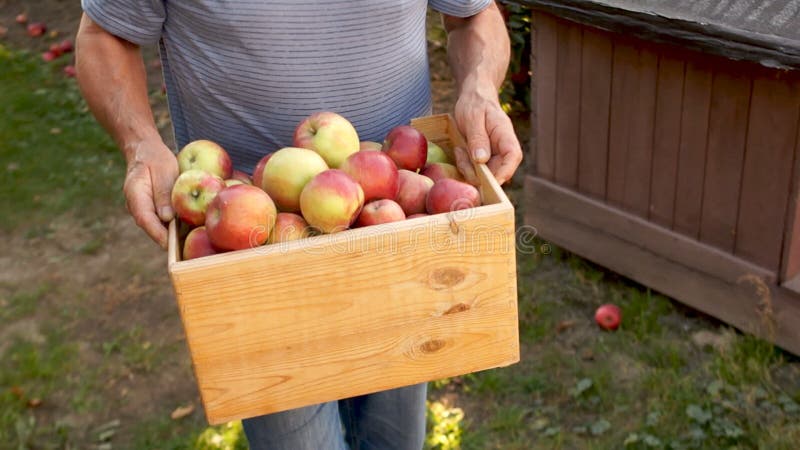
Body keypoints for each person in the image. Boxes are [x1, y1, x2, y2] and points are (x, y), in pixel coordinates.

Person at [75, 1, 522, 448]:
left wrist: (481, 88)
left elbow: (473, 14)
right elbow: (104, 36)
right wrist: (139, 144)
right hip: (248, 240)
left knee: (396, 437)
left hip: (402, 218)